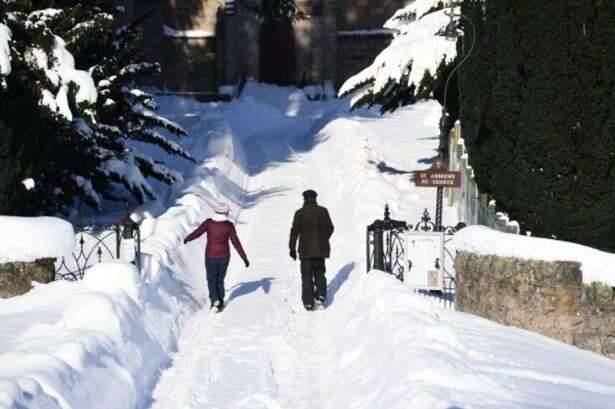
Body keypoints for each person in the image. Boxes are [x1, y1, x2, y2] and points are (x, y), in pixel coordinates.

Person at [184, 203, 249, 312]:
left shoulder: (209, 223)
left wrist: (188, 238)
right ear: (226, 213)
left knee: (211, 279)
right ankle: (220, 301)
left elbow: (198, 232)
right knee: (220, 279)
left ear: (216, 212)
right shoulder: (229, 225)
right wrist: (244, 257)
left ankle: (214, 300)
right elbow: (236, 242)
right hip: (224, 257)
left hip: (210, 256)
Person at [289, 190, 334, 311]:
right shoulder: (323, 211)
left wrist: (292, 249)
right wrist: (323, 238)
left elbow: (294, 232)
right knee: (320, 274)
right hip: (320, 250)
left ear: (304, 199)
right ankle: (320, 298)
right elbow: (330, 228)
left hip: (305, 252)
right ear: (315, 198)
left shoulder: (299, 213)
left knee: (306, 276)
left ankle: (308, 302)